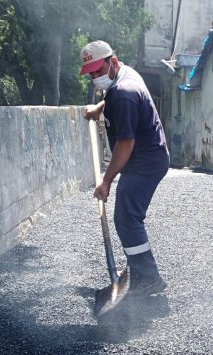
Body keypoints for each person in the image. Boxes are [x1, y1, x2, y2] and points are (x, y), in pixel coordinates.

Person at [80, 40, 169, 296]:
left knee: (127, 218)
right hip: (146, 156)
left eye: (99, 71)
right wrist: (100, 107)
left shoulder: (124, 93)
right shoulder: (124, 74)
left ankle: (148, 277)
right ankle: (138, 269)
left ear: (113, 62)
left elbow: (125, 143)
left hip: (144, 160)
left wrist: (106, 181)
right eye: (91, 74)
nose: (95, 77)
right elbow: (115, 98)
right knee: (129, 217)